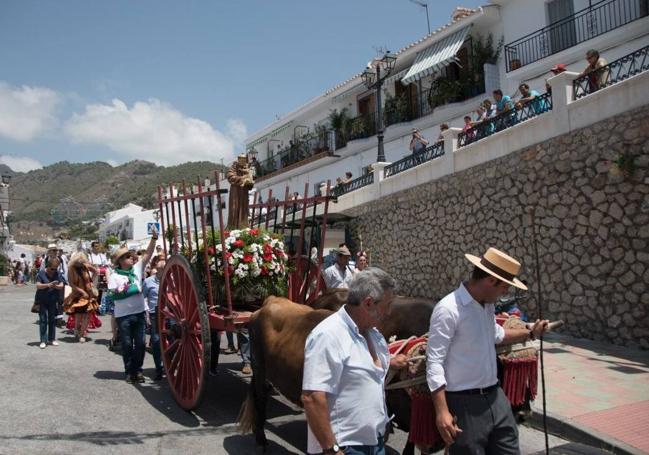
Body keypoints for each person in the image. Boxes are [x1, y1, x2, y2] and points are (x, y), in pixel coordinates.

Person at [426, 247, 549, 454]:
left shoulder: (487, 306)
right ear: (491, 280)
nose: (505, 292)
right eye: (505, 287)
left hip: (496, 397)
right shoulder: (448, 309)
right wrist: (442, 412)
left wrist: (530, 332)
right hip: (464, 404)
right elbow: (434, 361)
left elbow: (497, 335)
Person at [302, 268, 407, 455]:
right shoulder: (328, 335)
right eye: (387, 305)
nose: (389, 312)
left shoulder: (374, 335)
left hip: (374, 442)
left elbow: (363, 369)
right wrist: (332, 449)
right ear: (368, 303)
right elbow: (312, 397)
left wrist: (391, 362)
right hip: (346, 445)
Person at [108, 230, 158, 384]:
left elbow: (148, 254)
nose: (132, 258)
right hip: (123, 316)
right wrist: (134, 289)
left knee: (141, 344)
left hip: (139, 313)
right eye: (128, 257)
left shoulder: (136, 269)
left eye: (131, 256)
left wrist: (154, 238)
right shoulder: (114, 276)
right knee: (128, 344)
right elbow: (113, 295)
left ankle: (138, 370)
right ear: (121, 261)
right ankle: (129, 372)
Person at [63, 252, 100, 342]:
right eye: (78, 262)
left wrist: (92, 282)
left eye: (81, 261)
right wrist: (82, 292)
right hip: (78, 294)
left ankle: (82, 334)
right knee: (79, 315)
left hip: (89, 293)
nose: (80, 263)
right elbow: (71, 284)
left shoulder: (85, 266)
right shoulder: (71, 268)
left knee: (87, 314)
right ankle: (76, 329)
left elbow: (96, 271)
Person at [143, 257, 165, 380]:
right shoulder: (148, 281)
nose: (164, 270)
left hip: (170, 313)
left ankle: (169, 364)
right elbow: (143, 297)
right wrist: (146, 313)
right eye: (162, 269)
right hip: (154, 313)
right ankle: (158, 368)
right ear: (157, 270)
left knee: (174, 339)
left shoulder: (172, 279)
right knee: (156, 341)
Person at [35, 258, 65, 349]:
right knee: (43, 320)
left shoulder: (57, 274)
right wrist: (48, 285)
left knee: (52, 320)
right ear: (47, 266)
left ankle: (51, 339)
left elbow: (62, 285)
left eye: (56, 268)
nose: (54, 270)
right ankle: (43, 340)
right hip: (42, 300)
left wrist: (55, 286)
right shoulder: (41, 273)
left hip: (53, 300)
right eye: (52, 268)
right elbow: (38, 285)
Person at [226, 154, 254, 230]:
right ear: (238, 160)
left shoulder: (246, 169)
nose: (243, 162)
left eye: (244, 160)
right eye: (241, 160)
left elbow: (250, 183)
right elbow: (230, 177)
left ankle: (243, 228)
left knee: (243, 210)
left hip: (244, 193)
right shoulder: (233, 168)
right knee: (234, 209)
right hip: (235, 193)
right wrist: (242, 179)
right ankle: (233, 228)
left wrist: (249, 183)